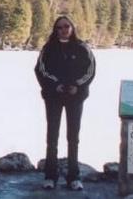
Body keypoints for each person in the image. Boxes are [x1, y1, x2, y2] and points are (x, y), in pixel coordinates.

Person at [34, 15, 96, 191]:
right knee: (52, 137)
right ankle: (50, 176)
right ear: (55, 29)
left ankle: (73, 177)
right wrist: (56, 85)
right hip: (53, 97)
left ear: (72, 28)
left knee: (73, 138)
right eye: (60, 27)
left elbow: (90, 70)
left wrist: (77, 85)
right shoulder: (48, 48)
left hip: (75, 98)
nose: (64, 29)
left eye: (67, 26)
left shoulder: (82, 48)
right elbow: (41, 70)